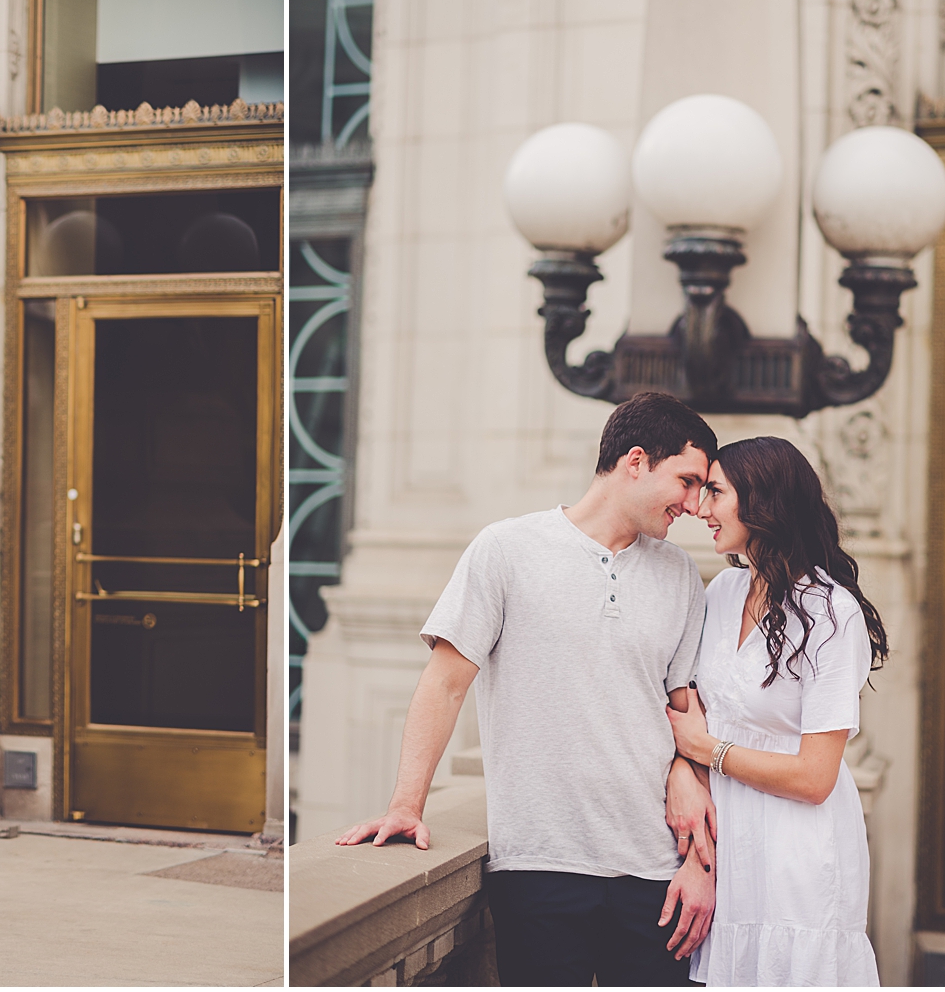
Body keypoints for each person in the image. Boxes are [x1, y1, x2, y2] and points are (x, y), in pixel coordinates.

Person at [337, 392, 722, 986]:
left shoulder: (680, 576)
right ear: (637, 461)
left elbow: (686, 718)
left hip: (655, 873)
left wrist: (699, 860)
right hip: (540, 866)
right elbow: (443, 685)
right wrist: (407, 805)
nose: (696, 505)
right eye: (688, 481)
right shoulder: (506, 549)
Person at [667, 436, 887, 986]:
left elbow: (815, 778)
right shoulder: (721, 593)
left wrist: (707, 751)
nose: (701, 508)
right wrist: (686, 774)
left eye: (715, 492)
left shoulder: (831, 612)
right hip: (729, 849)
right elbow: (687, 712)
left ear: (761, 502)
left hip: (798, 856)